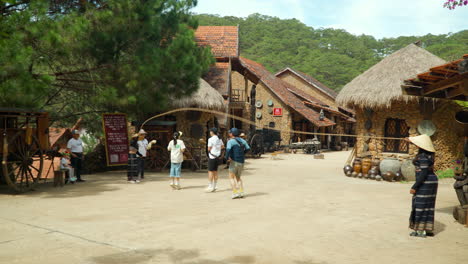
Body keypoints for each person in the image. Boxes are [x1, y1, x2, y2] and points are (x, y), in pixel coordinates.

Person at [408, 134, 438, 238]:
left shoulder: (422, 157)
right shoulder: (429, 155)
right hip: (431, 182)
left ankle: (420, 231)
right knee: (428, 205)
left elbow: (423, 173)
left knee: (420, 205)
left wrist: (414, 187)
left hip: (426, 182)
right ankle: (427, 229)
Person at [225, 128, 250, 199]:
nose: (229, 134)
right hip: (241, 161)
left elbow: (227, 151)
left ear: (231, 134)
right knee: (238, 177)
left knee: (231, 177)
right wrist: (242, 154)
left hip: (234, 161)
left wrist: (227, 159)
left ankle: (235, 192)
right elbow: (248, 149)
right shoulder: (243, 140)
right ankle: (241, 192)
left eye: (230, 133)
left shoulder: (230, 141)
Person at [206, 127, 224, 192]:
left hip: (212, 157)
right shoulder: (219, 139)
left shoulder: (210, 139)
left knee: (210, 171)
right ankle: (215, 185)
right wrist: (217, 149)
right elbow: (222, 147)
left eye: (210, 131)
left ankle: (210, 186)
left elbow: (209, 148)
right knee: (215, 171)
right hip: (217, 157)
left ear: (212, 132)